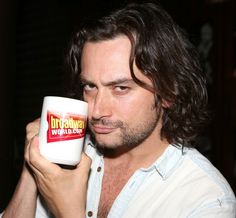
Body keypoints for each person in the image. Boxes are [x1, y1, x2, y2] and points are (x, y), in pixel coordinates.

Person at [1, 2, 236, 218]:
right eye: (90, 86)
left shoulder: (207, 200)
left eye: (121, 88)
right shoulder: (69, 153)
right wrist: (31, 170)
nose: (96, 111)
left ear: (168, 93)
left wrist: (69, 211)